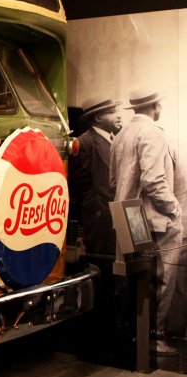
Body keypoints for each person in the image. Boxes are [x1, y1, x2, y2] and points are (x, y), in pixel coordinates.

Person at [110, 89, 184, 355]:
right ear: (155, 106)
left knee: (139, 277)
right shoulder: (153, 133)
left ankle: (137, 336)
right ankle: (156, 338)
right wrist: (174, 209)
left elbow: (113, 182)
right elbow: (153, 180)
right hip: (157, 219)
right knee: (163, 277)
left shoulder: (120, 135)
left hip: (129, 216)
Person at [69, 96, 123, 257]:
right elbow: (78, 185)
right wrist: (92, 216)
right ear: (98, 118)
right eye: (112, 112)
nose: (119, 115)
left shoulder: (114, 140)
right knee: (104, 263)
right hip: (99, 220)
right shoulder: (85, 143)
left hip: (115, 215)